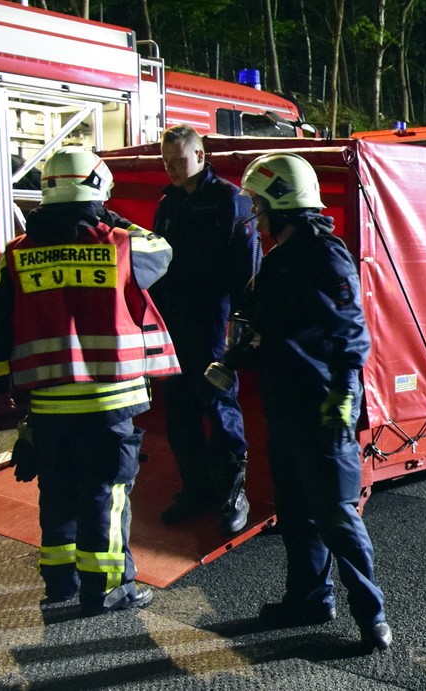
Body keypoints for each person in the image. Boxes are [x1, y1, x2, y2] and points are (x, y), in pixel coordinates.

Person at [0, 146, 180, 615]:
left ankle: (60, 581)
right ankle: (109, 587)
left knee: (57, 489)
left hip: (47, 403)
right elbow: (164, 250)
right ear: (97, 189)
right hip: (110, 398)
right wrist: (106, 217)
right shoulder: (122, 244)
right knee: (106, 493)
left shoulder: (15, 254)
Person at [212, 152, 391, 651]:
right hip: (287, 401)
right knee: (295, 509)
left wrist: (341, 396)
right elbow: (269, 327)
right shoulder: (278, 260)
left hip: (322, 404)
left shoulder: (322, 255)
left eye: (258, 203)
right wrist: (238, 355)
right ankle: (309, 599)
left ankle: (371, 616)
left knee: (334, 510)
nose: (254, 214)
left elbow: (352, 332)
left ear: (281, 203)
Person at [151, 124, 260, 536]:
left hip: (215, 319)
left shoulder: (231, 200)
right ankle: (195, 488)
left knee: (219, 402)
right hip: (175, 321)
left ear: (200, 156)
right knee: (179, 410)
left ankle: (234, 493)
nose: (173, 169)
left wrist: (243, 323)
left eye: (179, 160)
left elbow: (249, 268)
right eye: (167, 162)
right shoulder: (169, 203)